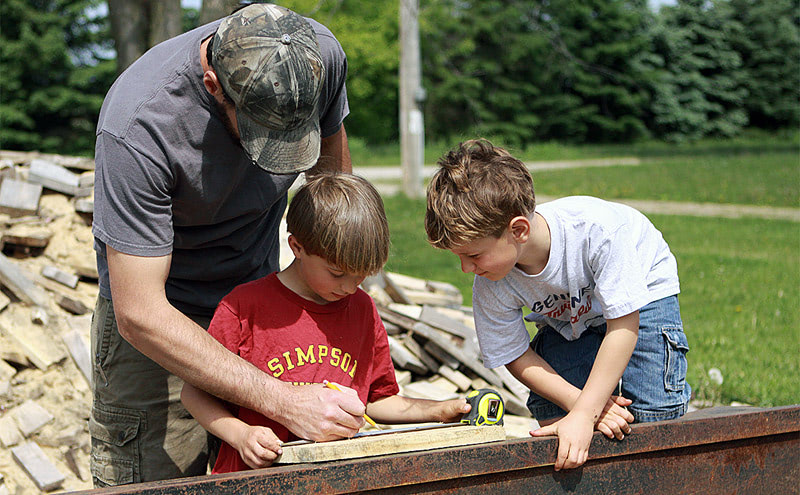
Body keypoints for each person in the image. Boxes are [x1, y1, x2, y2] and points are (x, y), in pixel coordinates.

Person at [90, 3, 360, 486]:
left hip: (261, 298)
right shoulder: (139, 127)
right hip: (166, 318)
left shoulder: (317, 57)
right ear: (214, 84)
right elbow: (139, 312)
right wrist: (282, 400)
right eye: (265, 133)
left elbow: (332, 192)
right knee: (151, 483)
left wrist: (336, 299)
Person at [424, 139, 691, 471]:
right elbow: (513, 354)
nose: (466, 268)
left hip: (643, 297)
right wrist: (581, 406)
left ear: (518, 230)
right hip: (570, 315)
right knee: (561, 414)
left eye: (473, 255)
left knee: (652, 413)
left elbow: (623, 326)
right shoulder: (491, 283)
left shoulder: (598, 231)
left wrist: (586, 413)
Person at [181, 172, 470, 472]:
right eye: (336, 272)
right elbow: (194, 393)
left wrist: (437, 410)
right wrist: (241, 435)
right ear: (297, 247)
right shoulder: (244, 307)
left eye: (360, 276)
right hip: (251, 478)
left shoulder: (363, 309)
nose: (349, 287)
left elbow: (374, 402)